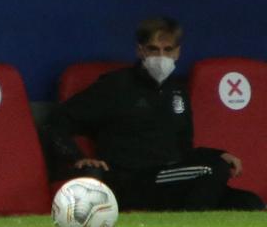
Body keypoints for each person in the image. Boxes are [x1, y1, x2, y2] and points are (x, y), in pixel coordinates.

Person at [41, 17, 264, 211]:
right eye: (153, 49)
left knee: (249, 202)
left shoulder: (177, 91)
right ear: (140, 50)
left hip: (171, 177)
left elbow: (183, 149)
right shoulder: (115, 86)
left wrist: (217, 153)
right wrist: (78, 157)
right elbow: (56, 122)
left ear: (178, 52)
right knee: (211, 170)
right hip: (132, 180)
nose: (161, 56)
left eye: (168, 50)